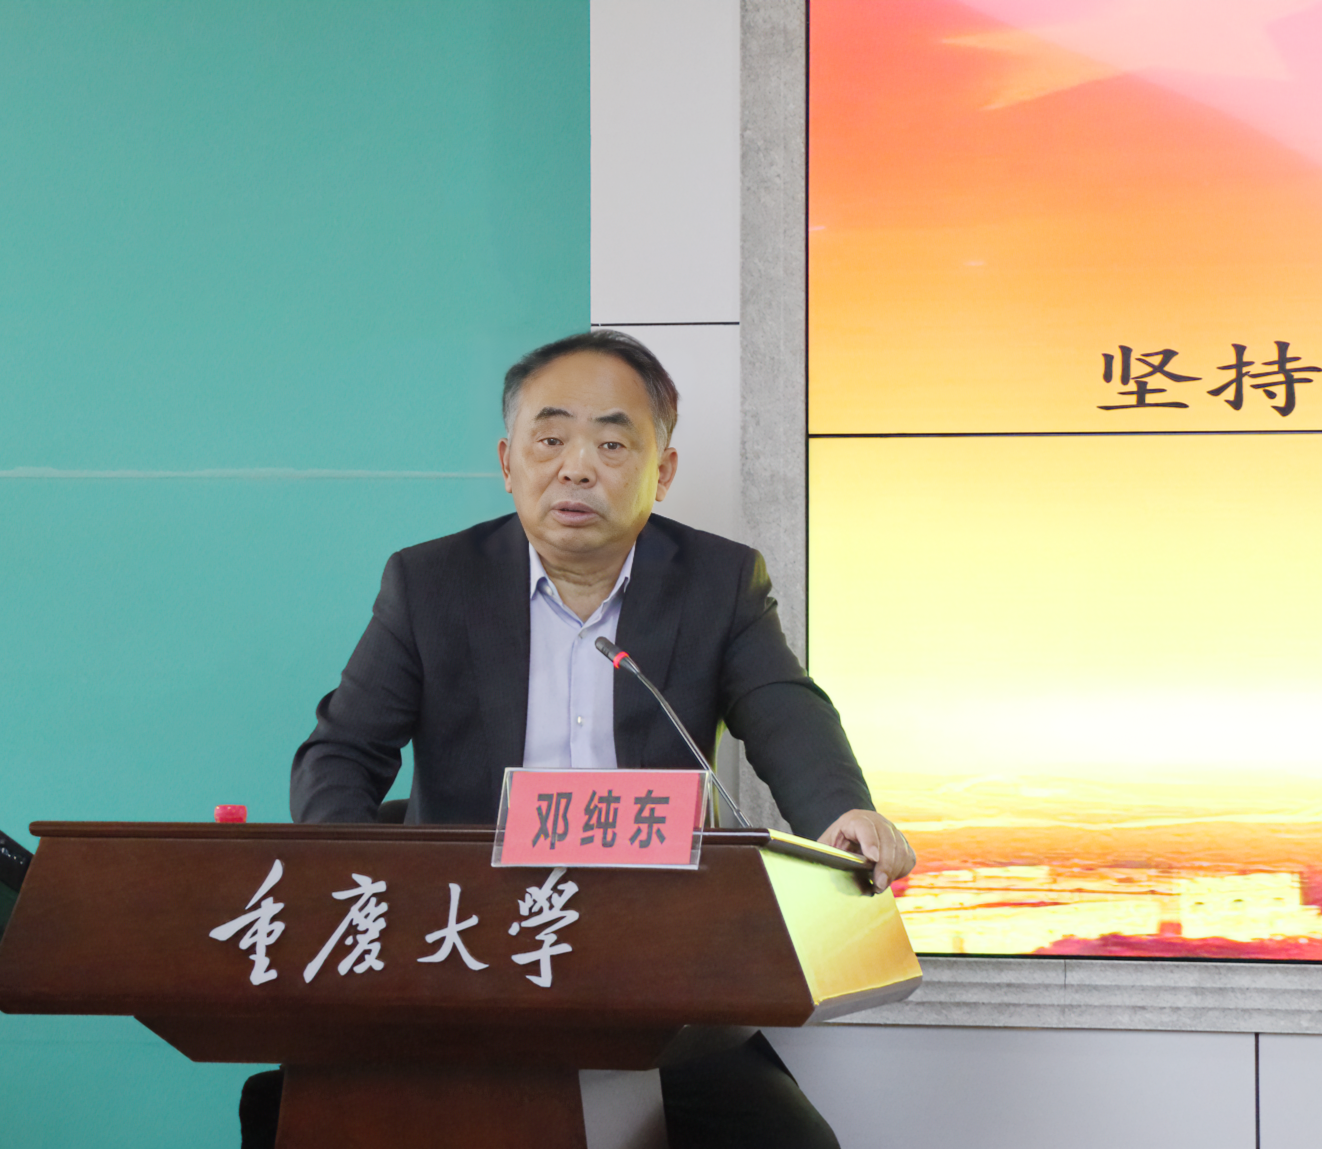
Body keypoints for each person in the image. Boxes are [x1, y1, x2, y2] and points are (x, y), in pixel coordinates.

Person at [243, 329, 915, 1149]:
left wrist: (843, 813)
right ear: (508, 461)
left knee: (786, 1141)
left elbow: (785, 711)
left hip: (657, 970)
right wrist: (358, 893)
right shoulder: (431, 582)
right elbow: (343, 752)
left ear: (663, 471)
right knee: (301, 1113)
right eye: (551, 438)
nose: (576, 467)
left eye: (611, 443)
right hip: (461, 953)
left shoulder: (718, 582)